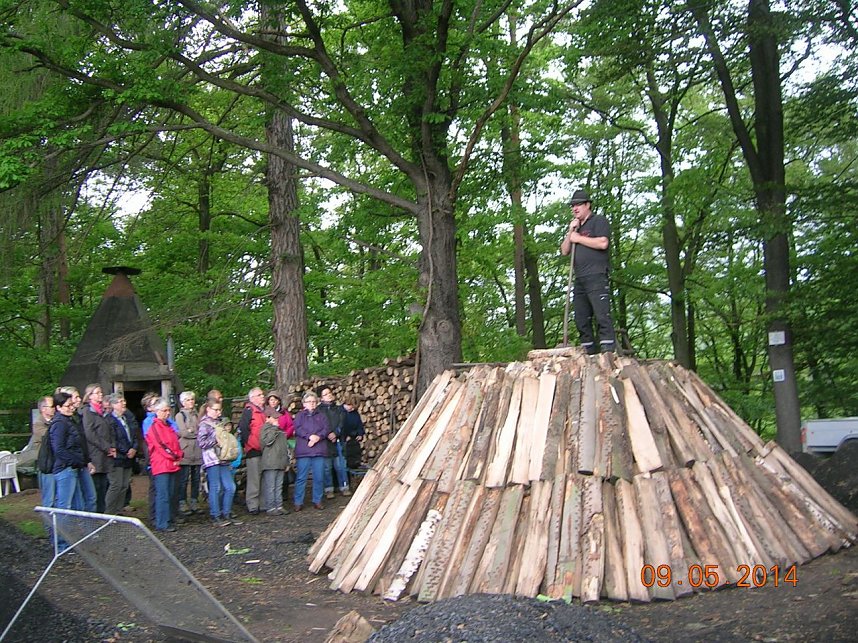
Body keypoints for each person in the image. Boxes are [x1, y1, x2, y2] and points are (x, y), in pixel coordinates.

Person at [560, 189, 617, 355]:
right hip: (580, 279)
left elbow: (603, 243)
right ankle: (589, 352)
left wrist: (579, 239)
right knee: (581, 319)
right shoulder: (575, 229)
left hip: (596, 275)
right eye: (573, 205)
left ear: (587, 205)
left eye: (578, 204)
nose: (575, 208)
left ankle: (608, 353)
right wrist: (571, 232)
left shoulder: (598, 221)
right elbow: (564, 251)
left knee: (601, 315)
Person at [197, 399, 242, 527]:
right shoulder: (204, 424)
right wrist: (216, 440)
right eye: (215, 410)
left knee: (230, 487)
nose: (218, 412)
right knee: (215, 488)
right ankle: (215, 515)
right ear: (208, 409)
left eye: (219, 410)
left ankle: (226, 513)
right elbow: (202, 443)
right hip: (212, 460)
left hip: (223, 459)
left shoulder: (219, 423)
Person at [145, 397, 183, 533]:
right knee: (163, 495)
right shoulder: (154, 427)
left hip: (173, 464)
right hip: (161, 466)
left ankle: (168, 519)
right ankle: (162, 523)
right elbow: (160, 446)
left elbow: (176, 443)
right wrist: (174, 457)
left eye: (168, 410)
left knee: (172, 493)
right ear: (157, 411)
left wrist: (179, 456)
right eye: (164, 410)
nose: (167, 413)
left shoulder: (168, 427)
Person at [237, 387, 277, 515]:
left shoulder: (265, 411)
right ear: (252, 398)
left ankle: (263, 504)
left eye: (262, 394)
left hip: (266, 449)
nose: (262, 397)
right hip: (253, 450)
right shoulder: (249, 411)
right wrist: (253, 444)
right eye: (259, 395)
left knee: (265, 478)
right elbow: (244, 430)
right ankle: (253, 505)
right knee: (254, 479)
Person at [292, 391, 330, 511]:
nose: (312, 404)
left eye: (314, 402)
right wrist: (309, 437)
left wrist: (318, 437)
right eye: (309, 402)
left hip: (319, 450)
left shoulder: (322, 415)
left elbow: (326, 428)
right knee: (301, 477)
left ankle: (317, 500)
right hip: (304, 450)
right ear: (304, 404)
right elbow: (298, 429)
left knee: (319, 477)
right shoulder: (299, 416)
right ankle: (298, 501)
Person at [81, 383, 115, 513]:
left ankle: (102, 515)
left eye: (101, 392)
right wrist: (106, 447)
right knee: (96, 488)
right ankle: (95, 517)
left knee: (104, 487)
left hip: (106, 455)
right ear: (90, 396)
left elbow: (110, 430)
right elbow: (90, 434)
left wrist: (112, 446)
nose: (101, 395)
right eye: (97, 392)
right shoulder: (87, 412)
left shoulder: (104, 412)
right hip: (95, 454)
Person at [104, 394, 138, 515]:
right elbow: (113, 439)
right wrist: (126, 450)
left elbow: (134, 434)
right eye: (119, 402)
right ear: (113, 405)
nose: (123, 403)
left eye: (124, 401)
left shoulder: (126, 418)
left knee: (124, 485)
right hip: (117, 458)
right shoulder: (109, 420)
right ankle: (109, 512)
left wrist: (134, 448)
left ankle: (118, 510)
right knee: (116, 485)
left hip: (128, 457)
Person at [319, 386, 349, 498]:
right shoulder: (319, 411)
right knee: (327, 467)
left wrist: (336, 433)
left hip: (338, 440)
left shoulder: (339, 409)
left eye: (330, 393)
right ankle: (329, 489)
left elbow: (342, 423)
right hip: (325, 443)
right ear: (321, 398)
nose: (329, 395)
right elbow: (320, 425)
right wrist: (327, 434)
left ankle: (344, 486)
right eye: (326, 394)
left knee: (340, 465)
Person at [176, 391, 202, 515]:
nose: (191, 402)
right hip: (185, 450)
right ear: (182, 402)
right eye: (188, 400)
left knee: (196, 478)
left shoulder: (197, 414)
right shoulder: (180, 415)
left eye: (192, 399)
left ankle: (194, 500)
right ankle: (182, 501)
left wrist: (191, 431)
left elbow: (200, 430)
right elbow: (183, 433)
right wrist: (192, 432)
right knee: (184, 478)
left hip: (197, 450)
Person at [260, 416, 290, 515]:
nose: (277, 420)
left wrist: (287, 462)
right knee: (271, 486)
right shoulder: (265, 429)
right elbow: (267, 441)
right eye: (274, 418)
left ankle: (279, 505)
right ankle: (270, 507)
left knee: (278, 486)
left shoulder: (281, 431)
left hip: (281, 462)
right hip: (270, 463)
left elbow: (285, 447)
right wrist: (274, 428)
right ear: (268, 418)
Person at [341, 396, 365, 471]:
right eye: (351, 407)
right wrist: (345, 436)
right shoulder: (340, 411)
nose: (352, 409)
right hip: (343, 439)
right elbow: (340, 426)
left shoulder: (355, 413)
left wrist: (360, 434)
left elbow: (359, 424)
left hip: (354, 438)